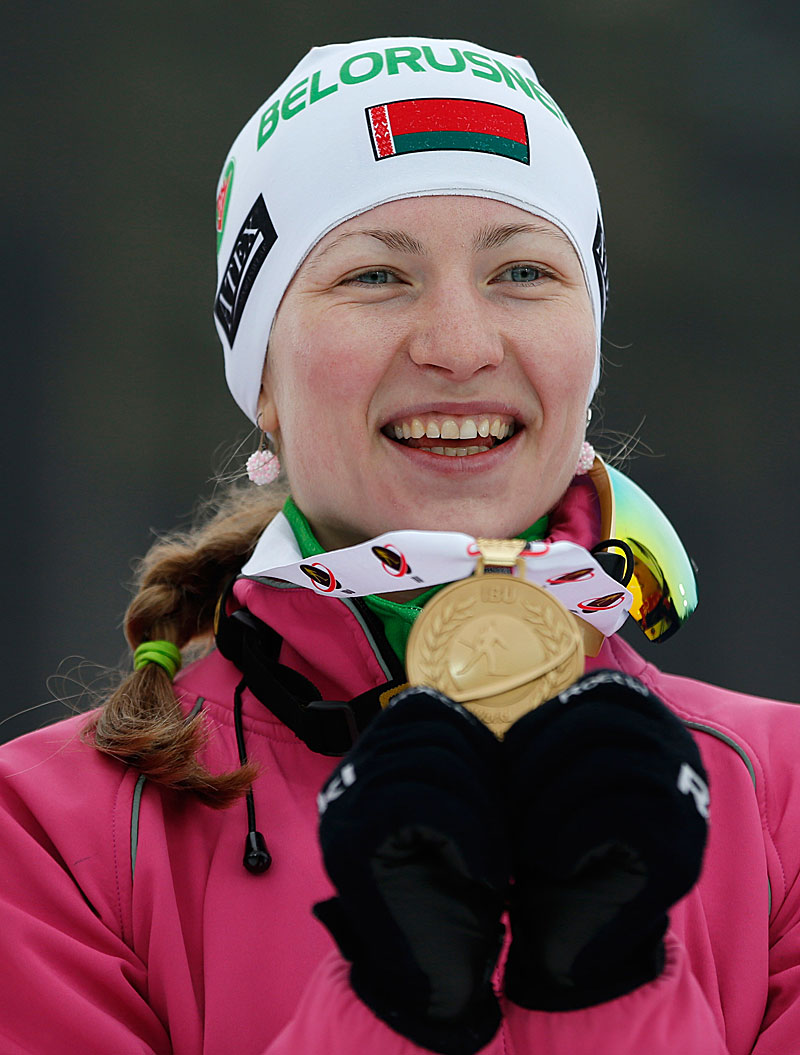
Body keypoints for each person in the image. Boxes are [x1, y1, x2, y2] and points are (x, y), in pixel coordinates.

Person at [1, 35, 798, 1055]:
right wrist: (380, 1005)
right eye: (376, 275)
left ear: (586, 351)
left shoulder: (777, 803)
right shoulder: (52, 834)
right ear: (265, 383)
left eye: (520, 269)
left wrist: (604, 992)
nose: (459, 344)